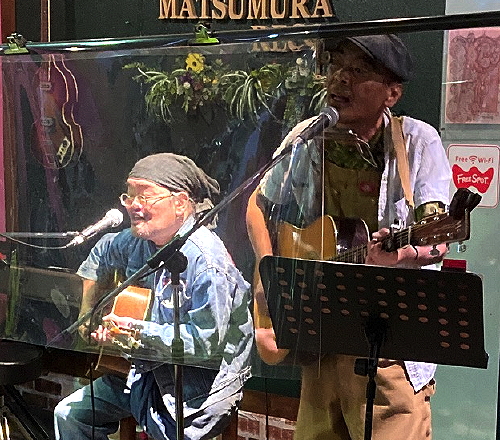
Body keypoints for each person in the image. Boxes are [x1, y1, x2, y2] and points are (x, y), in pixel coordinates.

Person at [246, 34, 452, 440]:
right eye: (336, 67)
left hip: (388, 347)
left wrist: (402, 254)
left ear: (392, 93)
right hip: (320, 335)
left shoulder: (418, 142)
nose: (340, 79)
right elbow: (257, 205)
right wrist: (270, 274)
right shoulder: (309, 136)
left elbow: (438, 238)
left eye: (357, 71)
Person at [54, 153, 254, 440]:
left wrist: (133, 332)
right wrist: (88, 315)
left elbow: (204, 344)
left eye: (145, 196)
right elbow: (101, 252)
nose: (134, 205)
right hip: (143, 373)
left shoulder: (207, 263)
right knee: (69, 415)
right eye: (129, 196)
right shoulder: (139, 240)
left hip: (196, 393)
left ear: (180, 203)